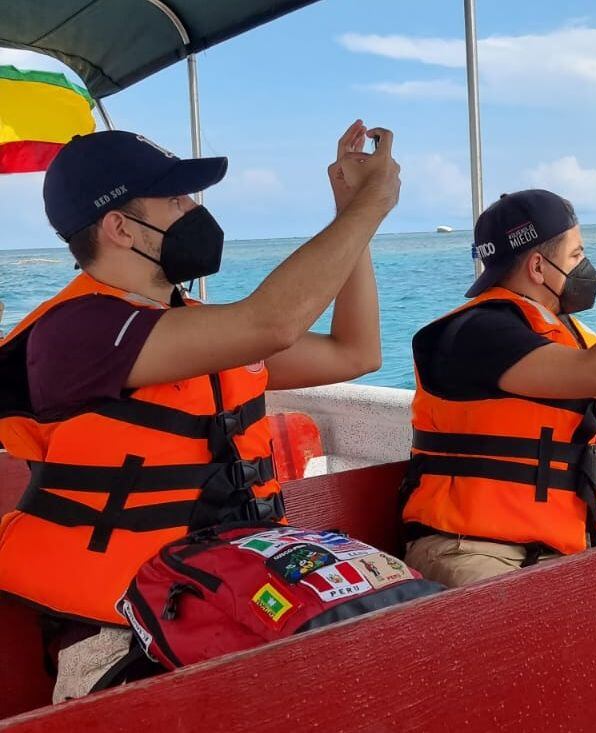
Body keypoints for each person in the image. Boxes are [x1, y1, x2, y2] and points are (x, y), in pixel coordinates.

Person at [0, 120, 400, 701]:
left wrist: (352, 222)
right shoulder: (74, 334)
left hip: (228, 593)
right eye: (176, 199)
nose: (194, 210)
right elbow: (272, 321)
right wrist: (368, 208)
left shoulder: (189, 328)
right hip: (125, 636)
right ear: (119, 227)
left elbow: (354, 352)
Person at [401, 189, 596, 587]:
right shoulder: (478, 332)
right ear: (538, 267)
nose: (586, 265)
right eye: (576, 255)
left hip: (552, 555)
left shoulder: (566, 338)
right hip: (470, 549)